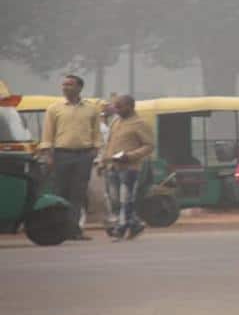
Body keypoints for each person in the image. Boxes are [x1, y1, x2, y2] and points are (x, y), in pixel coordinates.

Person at [39, 75, 102, 241]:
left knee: (78, 194)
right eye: (64, 84)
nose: (65, 88)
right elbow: (47, 133)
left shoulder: (91, 109)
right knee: (59, 193)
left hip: (84, 155)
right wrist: (48, 154)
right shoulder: (54, 108)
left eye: (70, 85)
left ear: (79, 88)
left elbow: (96, 132)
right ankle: (57, 229)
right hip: (61, 155)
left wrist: (95, 149)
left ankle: (73, 230)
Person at [100, 95, 154, 240]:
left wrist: (130, 156)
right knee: (114, 199)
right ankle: (135, 224)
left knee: (126, 199)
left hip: (129, 167)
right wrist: (103, 162)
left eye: (120, 107)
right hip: (112, 166)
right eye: (115, 107)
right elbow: (109, 143)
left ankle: (121, 228)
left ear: (130, 107)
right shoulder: (116, 121)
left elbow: (149, 146)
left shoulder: (140, 123)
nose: (116, 110)